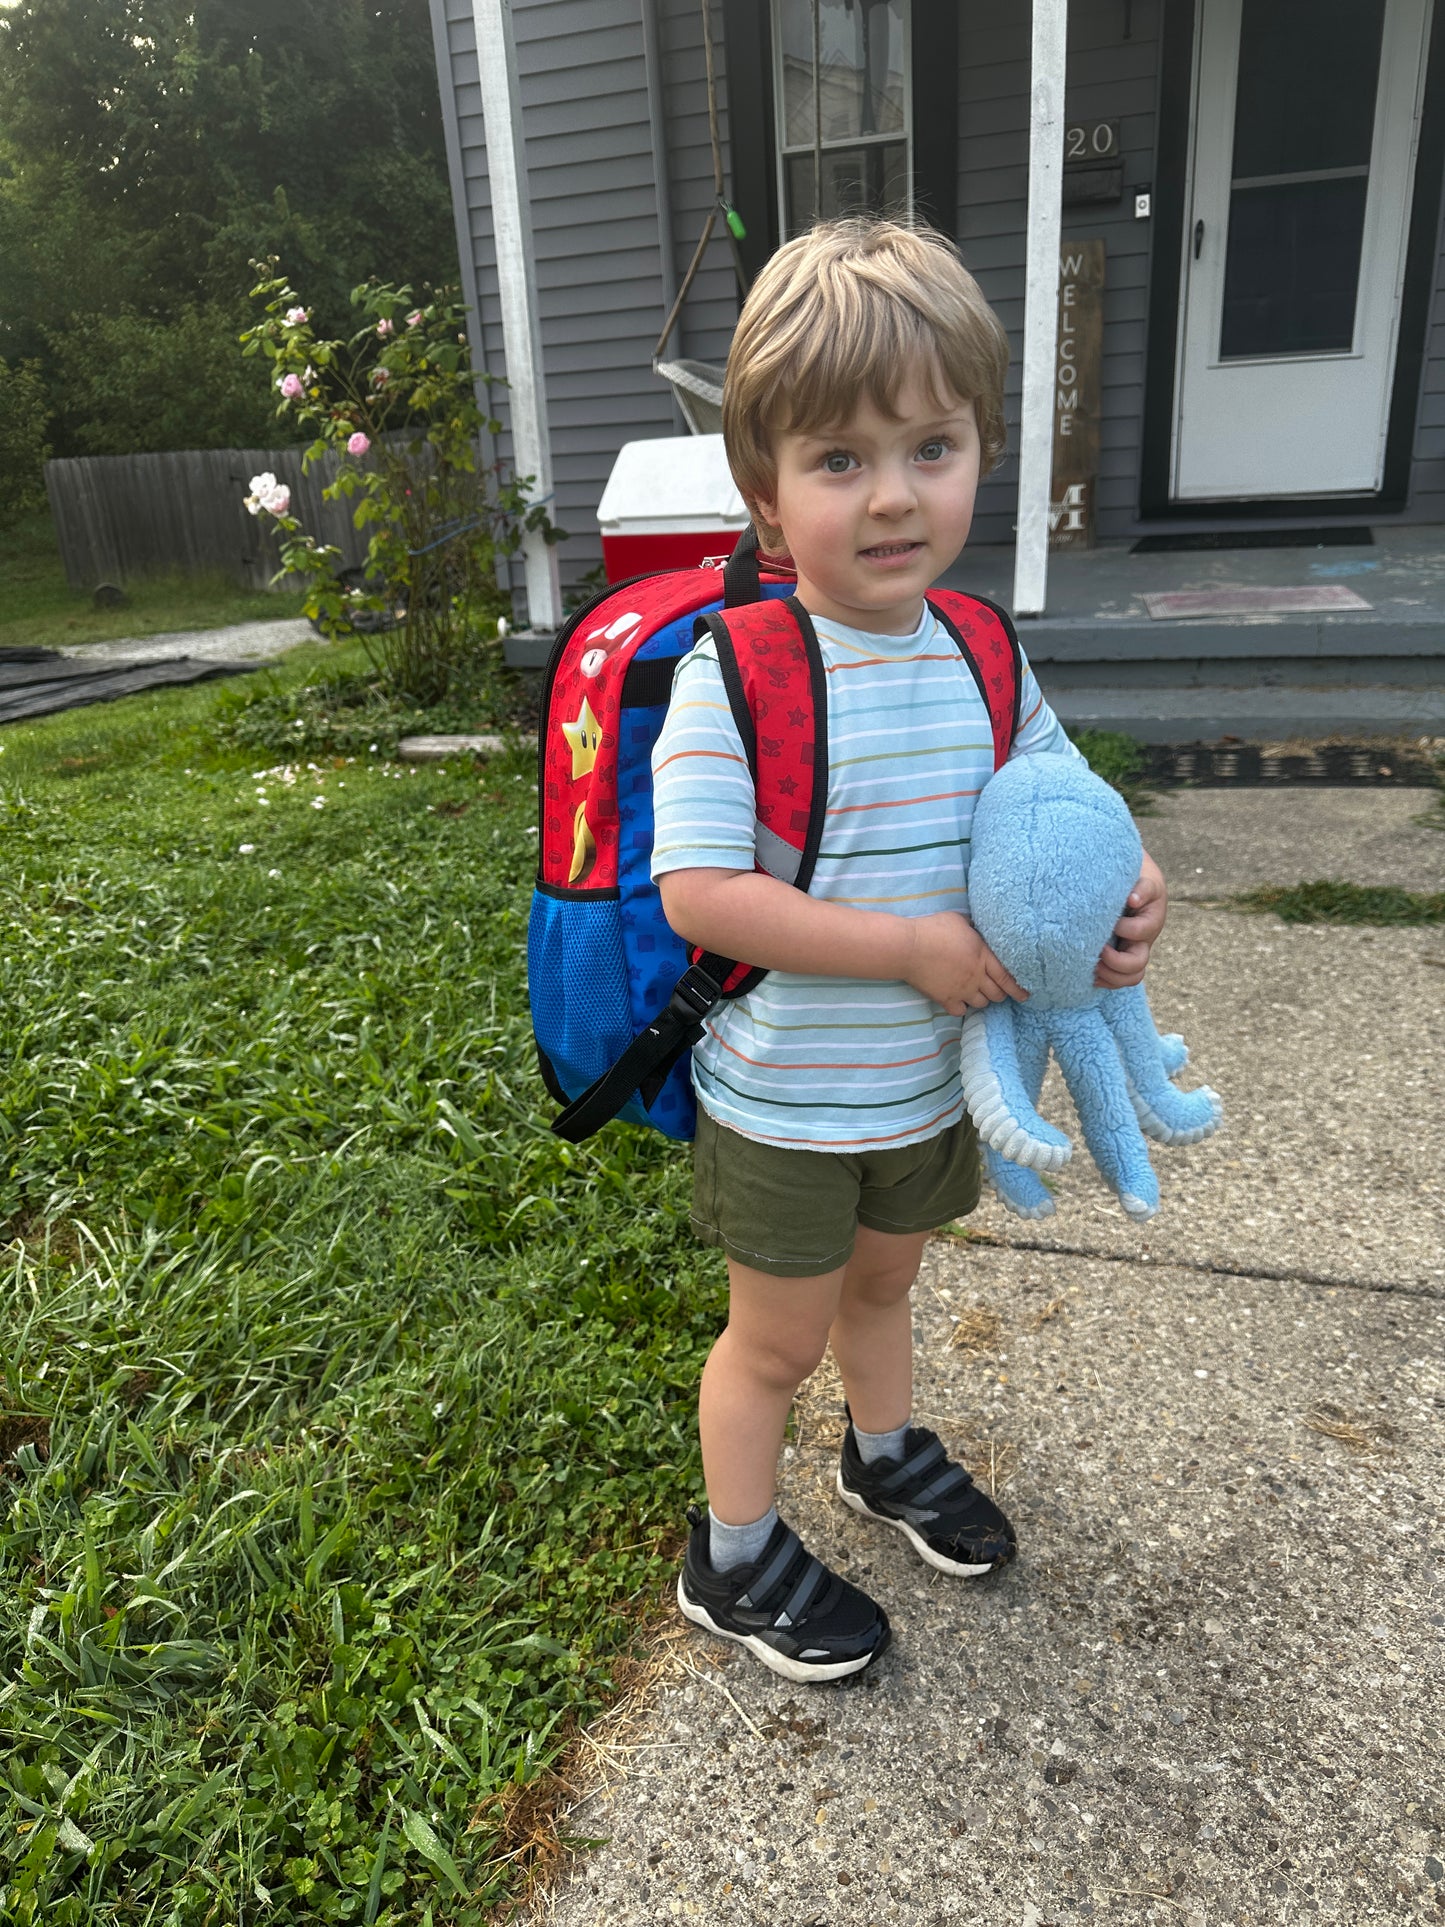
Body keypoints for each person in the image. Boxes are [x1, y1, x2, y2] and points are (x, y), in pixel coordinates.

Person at [650, 218, 1168, 1683]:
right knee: (772, 1343)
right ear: (764, 494)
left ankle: (883, 1456)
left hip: (925, 1092)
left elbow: (1077, 814)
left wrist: (1137, 891)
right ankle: (732, 1555)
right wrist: (907, 949)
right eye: (837, 462)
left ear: (977, 454)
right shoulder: (743, 672)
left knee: (886, 1294)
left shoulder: (985, 655)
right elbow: (697, 891)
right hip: (790, 1105)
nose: (890, 497)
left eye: (928, 447)